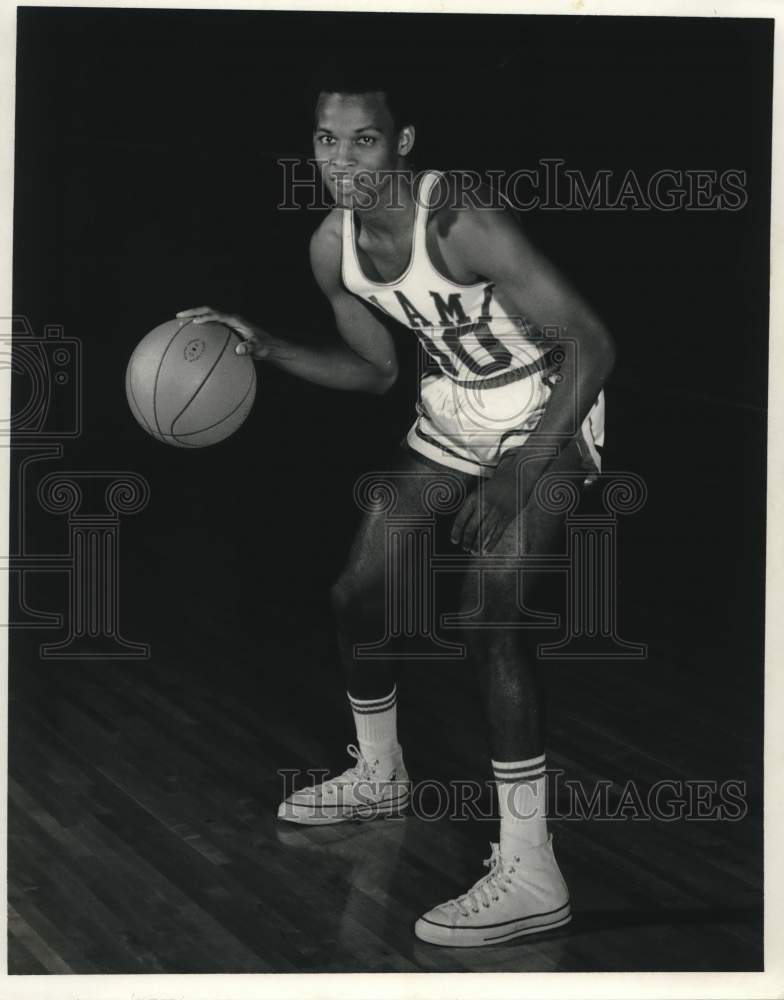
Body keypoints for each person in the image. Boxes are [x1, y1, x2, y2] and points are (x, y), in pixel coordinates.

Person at [176, 64, 614, 948]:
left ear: (402, 143)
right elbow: (376, 371)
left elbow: (594, 347)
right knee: (357, 595)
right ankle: (379, 776)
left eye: (364, 139)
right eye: (327, 140)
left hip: (549, 406)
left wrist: (522, 469)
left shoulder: (462, 220)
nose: (343, 159)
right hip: (452, 410)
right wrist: (265, 348)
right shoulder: (331, 246)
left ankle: (532, 870)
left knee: (488, 615)